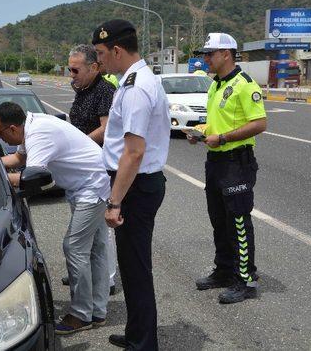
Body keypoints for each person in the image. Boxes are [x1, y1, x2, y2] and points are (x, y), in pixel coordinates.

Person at [0, 102, 110, 335]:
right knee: (95, 248)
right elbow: (17, 159)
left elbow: (34, 177)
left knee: (74, 247)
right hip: (88, 185)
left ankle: (81, 314)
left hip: (92, 188)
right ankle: (97, 311)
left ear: (13, 129)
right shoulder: (31, 126)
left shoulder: (39, 134)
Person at [93, 19, 170, 350]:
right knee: (131, 265)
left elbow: (134, 153)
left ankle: (143, 343)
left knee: (136, 269)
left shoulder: (137, 87)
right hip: (135, 185)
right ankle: (138, 331)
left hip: (135, 187)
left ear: (117, 50)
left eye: (100, 54)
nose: (99, 61)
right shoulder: (131, 81)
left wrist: (114, 202)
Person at [188, 32, 267, 304]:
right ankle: (223, 270)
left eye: (210, 54)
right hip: (216, 162)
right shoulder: (216, 85)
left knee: (237, 221)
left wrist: (222, 138)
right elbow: (216, 123)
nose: (205, 59)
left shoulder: (245, 84)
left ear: (226, 54)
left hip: (236, 162)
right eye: (205, 54)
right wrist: (200, 131)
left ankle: (245, 279)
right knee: (218, 220)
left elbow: (259, 123)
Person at [65, 43, 118, 296]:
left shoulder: (104, 91)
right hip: (81, 172)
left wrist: (78, 146)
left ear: (94, 67)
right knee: (84, 227)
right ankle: (83, 272)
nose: (71, 75)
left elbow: (107, 129)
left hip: (99, 170)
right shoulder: (82, 89)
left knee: (101, 232)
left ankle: (105, 280)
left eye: (75, 70)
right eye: (69, 70)